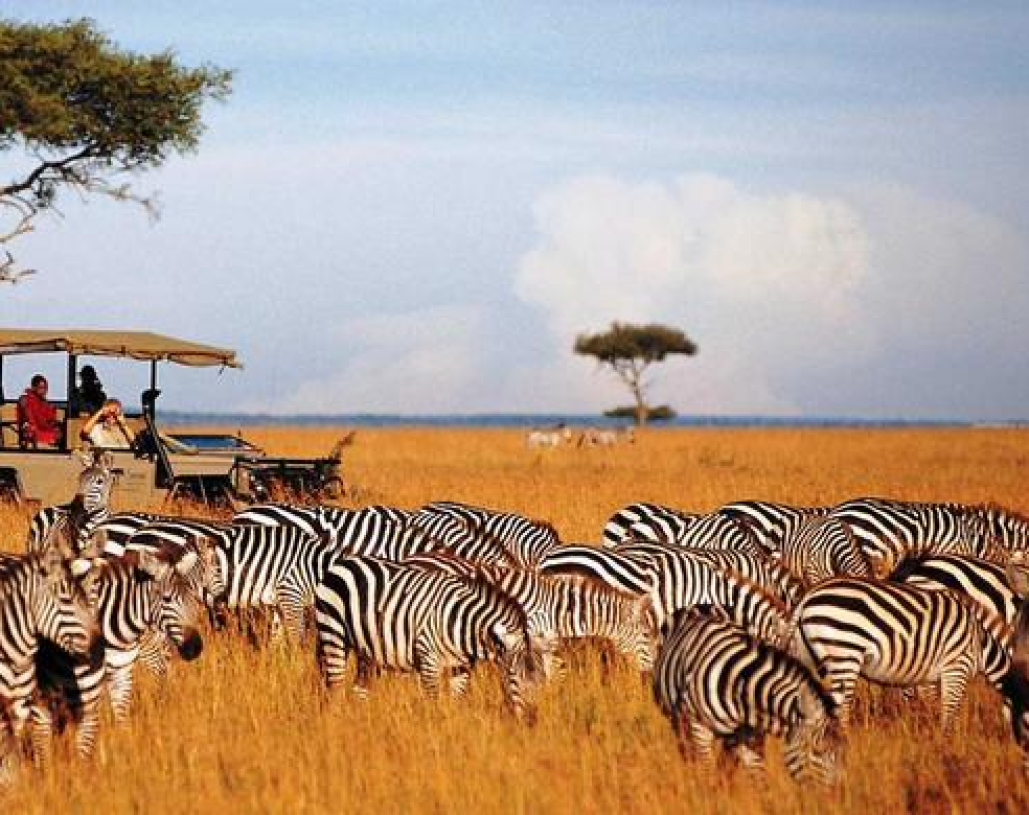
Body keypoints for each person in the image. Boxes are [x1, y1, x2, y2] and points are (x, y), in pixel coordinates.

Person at [17, 374, 61, 447]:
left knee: (59, 433)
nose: (44, 391)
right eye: (41, 388)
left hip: (44, 429)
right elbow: (29, 418)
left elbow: (50, 419)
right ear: (34, 387)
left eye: (45, 388)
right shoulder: (25, 399)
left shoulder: (44, 402)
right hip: (32, 431)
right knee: (31, 430)